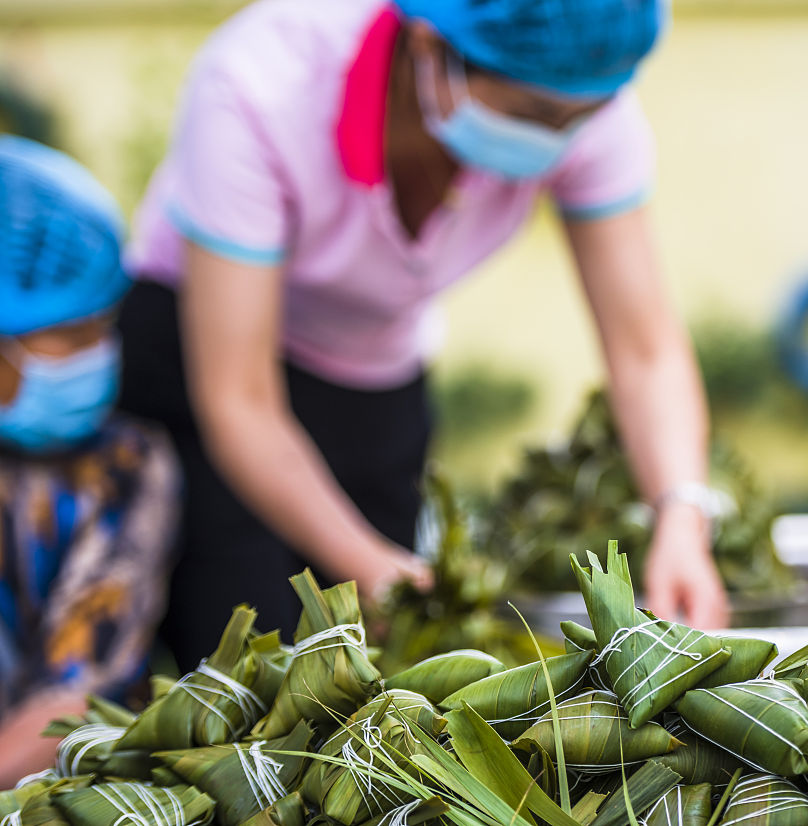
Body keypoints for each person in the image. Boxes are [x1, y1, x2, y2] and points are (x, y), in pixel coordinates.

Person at [119, 0, 730, 668]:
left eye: (579, 118)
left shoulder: (581, 100)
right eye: (532, 114)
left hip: (369, 368)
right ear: (428, 45)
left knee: (369, 671)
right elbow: (239, 401)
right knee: (245, 647)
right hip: (204, 357)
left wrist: (679, 517)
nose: (559, 138)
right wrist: (369, 564)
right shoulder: (262, 85)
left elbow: (644, 350)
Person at [0, 135, 178, 786]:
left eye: (103, 328)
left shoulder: (122, 468)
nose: (98, 355)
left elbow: (69, 704)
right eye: (71, 338)